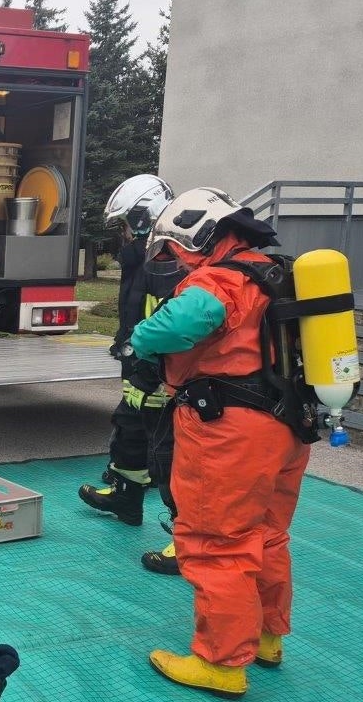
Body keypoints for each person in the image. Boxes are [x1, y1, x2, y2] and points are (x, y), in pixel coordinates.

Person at [126, 188, 308, 698]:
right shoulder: (275, 272)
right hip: (288, 424)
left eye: (176, 250)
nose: (176, 261)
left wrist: (139, 339)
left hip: (229, 432)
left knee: (217, 544)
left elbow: (186, 320)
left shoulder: (221, 278)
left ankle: (222, 664)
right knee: (268, 535)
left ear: (197, 233)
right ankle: (269, 638)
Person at [76, 175, 185, 575]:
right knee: (128, 431)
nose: (121, 234)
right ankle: (125, 499)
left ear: (144, 217)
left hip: (159, 376)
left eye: (125, 224)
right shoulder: (141, 259)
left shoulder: (167, 262)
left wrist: (150, 365)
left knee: (169, 459)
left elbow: (168, 322)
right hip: (139, 372)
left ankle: (188, 543)